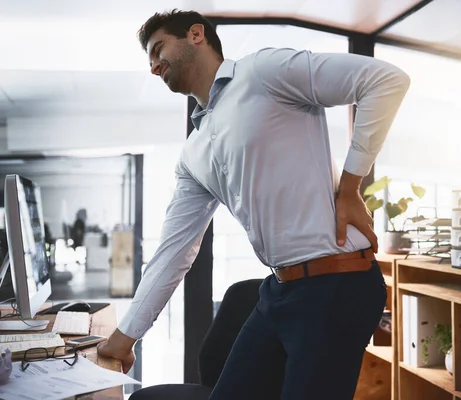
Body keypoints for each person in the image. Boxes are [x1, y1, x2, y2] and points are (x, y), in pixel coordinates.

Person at [97, 9, 410, 400]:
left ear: (196, 34)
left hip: (338, 283)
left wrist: (350, 186)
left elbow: (384, 81)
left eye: (159, 49)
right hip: (278, 290)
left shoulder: (262, 72)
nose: (154, 66)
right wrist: (124, 339)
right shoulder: (193, 152)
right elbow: (172, 252)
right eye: (149, 60)